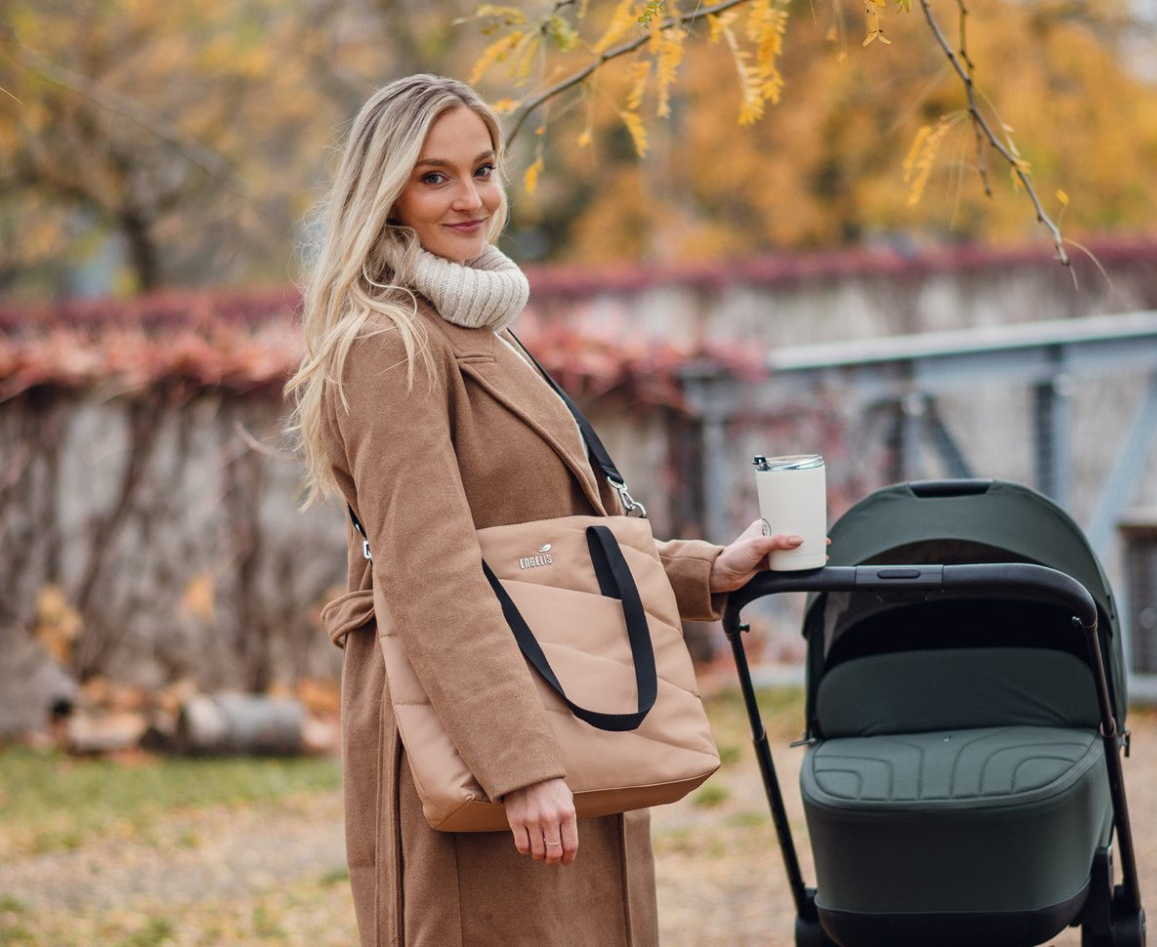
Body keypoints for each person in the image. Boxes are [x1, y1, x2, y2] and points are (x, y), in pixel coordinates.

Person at [284, 74, 808, 946]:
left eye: (483, 169)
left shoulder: (479, 324)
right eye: (435, 176)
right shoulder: (388, 344)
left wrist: (702, 570)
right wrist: (517, 765)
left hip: (565, 704)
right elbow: (429, 570)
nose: (471, 198)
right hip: (480, 736)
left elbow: (552, 539)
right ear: (387, 194)